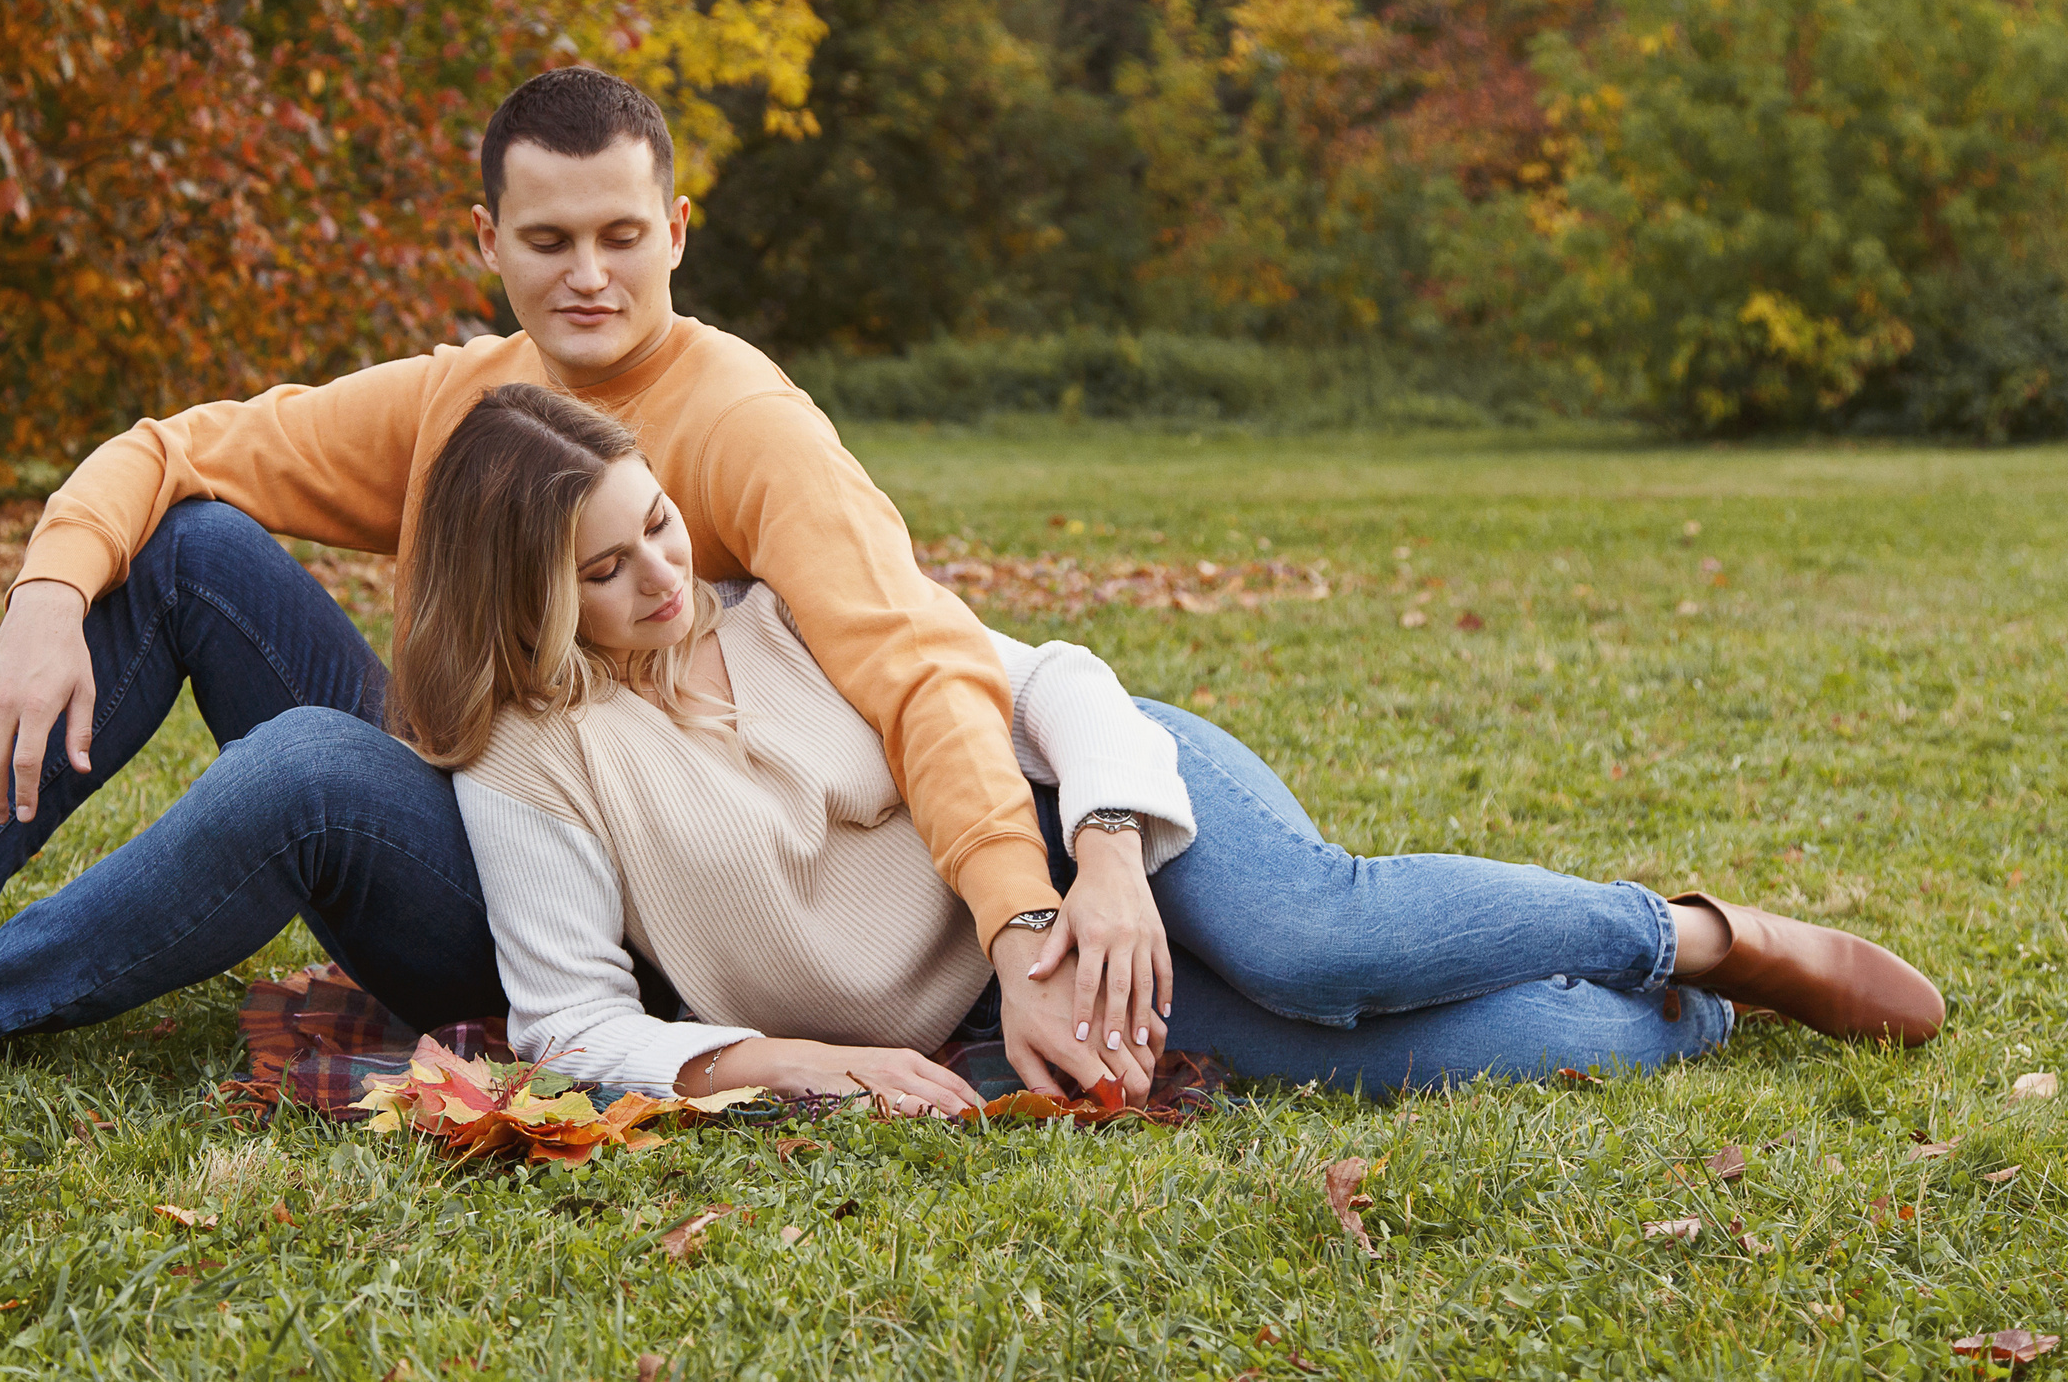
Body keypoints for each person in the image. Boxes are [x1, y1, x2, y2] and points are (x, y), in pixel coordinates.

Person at [0, 68, 1164, 1097]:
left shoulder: (748, 428)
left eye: (625, 238)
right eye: (548, 239)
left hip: (629, 906)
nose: (589, 278)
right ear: (483, 236)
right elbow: (175, 448)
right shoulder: (462, 398)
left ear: (677, 233)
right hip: (480, 789)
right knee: (197, 548)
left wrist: (1023, 921)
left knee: (303, 771)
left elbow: (918, 668)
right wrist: (43, 600)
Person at [418, 385, 1942, 1108]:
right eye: (604, 572)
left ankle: (1700, 933)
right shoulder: (528, 761)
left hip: (1105, 825)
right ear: (525, 596)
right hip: (975, 1014)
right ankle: (1690, 1012)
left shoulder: (786, 611)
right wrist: (820, 1064)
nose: (664, 580)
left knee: (1309, 943)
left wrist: (1107, 858)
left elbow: (1056, 682)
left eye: (661, 528)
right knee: (1498, 1056)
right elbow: (567, 1022)